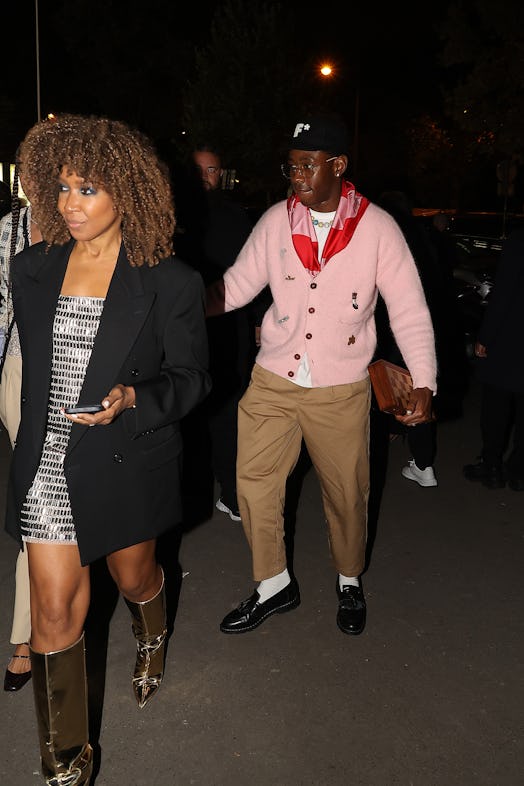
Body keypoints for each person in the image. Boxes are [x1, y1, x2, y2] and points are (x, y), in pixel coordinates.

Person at [5, 113, 210, 785]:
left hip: (123, 459)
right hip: (47, 461)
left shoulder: (169, 281)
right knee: (55, 611)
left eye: (87, 188)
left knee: (133, 578)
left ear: (127, 190)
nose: (70, 204)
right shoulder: (32, 267)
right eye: (61, 188)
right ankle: (66, 765)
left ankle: (150, 632)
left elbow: (191, 380)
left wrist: (130, 398)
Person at [206, 113, 436, 637]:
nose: (299, 177)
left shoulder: (377, 228)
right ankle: (273, 584)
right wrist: (180, 306)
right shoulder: (274, 222)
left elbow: (410, 311)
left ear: (338, 165)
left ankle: (349, 579)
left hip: (341, 387)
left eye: (309, 165)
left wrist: (424, 379)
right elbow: (237, 286)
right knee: (254, 483)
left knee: (346, 495)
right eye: (292, 167)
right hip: (273, 381)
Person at [177, 144, 254, 522]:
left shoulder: (235, 216)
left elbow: (257, 272)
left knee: (228, 410)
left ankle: (232, 492)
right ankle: (187, 494)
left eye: (213, 170)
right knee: (186, 408)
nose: (207, 177)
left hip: (228, 326)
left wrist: (258, 321)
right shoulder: (172, 214)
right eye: (200, 169)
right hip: (181, 325)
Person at [374, 190, 468, 488]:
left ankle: (413, 454)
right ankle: (421, 459)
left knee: (398, 390)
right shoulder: (423, 238)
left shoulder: (387, 239)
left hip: (396, 330)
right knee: (414, 392)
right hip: (428, 326)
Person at [0, 149, 43, 692]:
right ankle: (26, 634)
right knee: (39, 502)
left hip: (88, 378)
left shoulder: (100, 223)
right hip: (21, 374)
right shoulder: (9, 232)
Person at [463, 227, 524, 490]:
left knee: (496, 408)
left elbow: (504, 293)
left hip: (511, 339)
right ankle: (519, 471)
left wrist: (485, 337)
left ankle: (492, 466)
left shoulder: (520, 240)